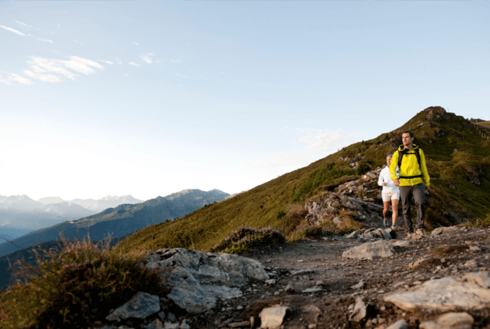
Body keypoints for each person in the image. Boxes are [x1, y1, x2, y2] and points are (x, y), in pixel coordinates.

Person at [390, 130, 430, 235]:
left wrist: (427, 181)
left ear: (412, 138)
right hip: (404, 183)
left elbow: (423, 167)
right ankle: (409, 230)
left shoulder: (419, 151)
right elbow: (392, 168)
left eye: (406, 137)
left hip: (417, 182)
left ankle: (420, 228)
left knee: (420, 203)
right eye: (403, 137)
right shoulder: (397, 153)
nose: (404, 139)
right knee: (405, 207)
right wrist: (394, 178)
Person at [378, 154, 399, 229]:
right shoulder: (383, 170)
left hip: (395, 190)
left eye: (390, 159)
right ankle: (385, 219)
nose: (389, 161)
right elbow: (379, 181)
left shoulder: (398, 168)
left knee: (394, 207)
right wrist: (382, 183)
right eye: (387, 160)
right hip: (385, 191)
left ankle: (394, 225)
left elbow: (402, 178)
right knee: (386, 210)